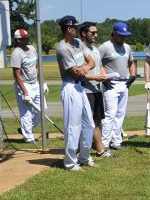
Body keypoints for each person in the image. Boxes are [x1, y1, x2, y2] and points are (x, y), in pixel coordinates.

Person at [55, 15, 97, 171]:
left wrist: (85, 67)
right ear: (68, 29)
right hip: (71, 87)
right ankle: (70, 162)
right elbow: (75, 73)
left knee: (89, 123)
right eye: (76, 27)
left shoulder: (78, 42)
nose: (79, 30)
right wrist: (85, 67)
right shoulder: (62, 48)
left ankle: (85, 157)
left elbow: (91, 62)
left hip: (80, 87)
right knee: (73, 126)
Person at [99, 22, 137, 151]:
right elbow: (97, 63)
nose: (123, 38)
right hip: (110, 83)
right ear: (114, 34)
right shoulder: (105, 47)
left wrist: (132, 75)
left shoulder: (127, 47)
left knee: (120, 113)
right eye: (121, 35)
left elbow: (131, 62)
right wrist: (103, 78)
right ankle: (104, 143)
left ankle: (116, 141)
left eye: (125, 35)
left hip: (124, 83)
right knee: (110, 114)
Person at [78, 21, 113, 158]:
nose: (96, 35)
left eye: (96, 32)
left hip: (97, 90)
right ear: (83, 34)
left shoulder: (95, 49)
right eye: (92, 33)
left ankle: (99, 150)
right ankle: (90, 150)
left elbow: (100, 66)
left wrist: (104, 76)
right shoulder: (80, 50)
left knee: (97, 121)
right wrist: (96, 77)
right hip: (86, 91)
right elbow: (80, 73)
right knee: (89, 122)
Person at [10, 28, 45, 143]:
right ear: (18, 40)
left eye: (27, 38)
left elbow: (36, 66)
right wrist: (25, 92)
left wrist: (42, 82)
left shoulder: (32, 48)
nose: (27, 40)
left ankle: (25, 129)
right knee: (26, 113)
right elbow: (17, 75)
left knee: (43, 109)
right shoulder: (16, 53)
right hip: (24, 85)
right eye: (24, 39)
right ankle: (28, 138)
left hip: (35, 83)